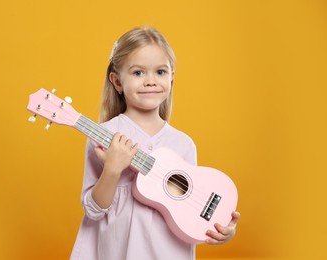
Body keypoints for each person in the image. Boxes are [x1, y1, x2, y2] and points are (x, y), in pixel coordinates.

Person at [70, 26, 240, 260]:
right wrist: (112, 170)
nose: (151, 81)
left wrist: (220, 228)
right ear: (117, 81)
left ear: (172, 77)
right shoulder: (104, 136)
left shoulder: (183, 144)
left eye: (160, 72)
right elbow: (93, 210)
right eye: (138, 73)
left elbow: (195, 207)